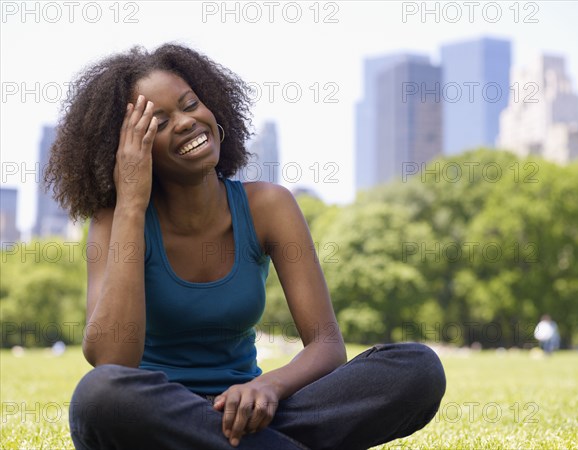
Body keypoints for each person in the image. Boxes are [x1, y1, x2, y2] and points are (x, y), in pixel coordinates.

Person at [46, 43, 446, 450]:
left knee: (417, 369)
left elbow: (327, 345)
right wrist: (131, 201)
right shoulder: (115, 220)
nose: (186, 122)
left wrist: (267, 387)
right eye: (159, 123)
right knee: (100, 396)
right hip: (158, 416)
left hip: (252, 413)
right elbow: (113, 361)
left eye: (190, 105)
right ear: (129, 148)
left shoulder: (268, 206)